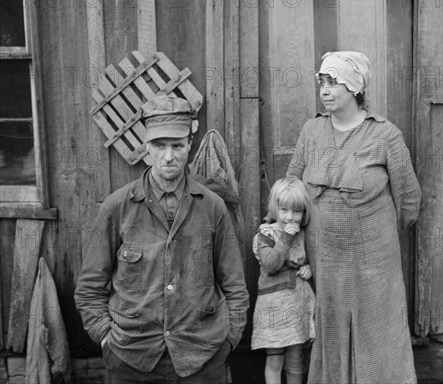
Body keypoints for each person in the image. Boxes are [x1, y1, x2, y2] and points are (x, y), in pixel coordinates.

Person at [74, 95, 249, 383]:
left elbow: (234, 286)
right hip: (132, 358)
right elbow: (89, 288)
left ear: (190, 145)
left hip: (201, 359)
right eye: (159, 145)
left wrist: (227, 341)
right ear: (146, 145)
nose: (168, 156)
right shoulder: (117, 207)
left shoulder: (212, 206)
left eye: (177, 146)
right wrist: (106, 338)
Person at [287, 51, 421, 384]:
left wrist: (384, 234)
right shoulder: (312, 131)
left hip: (375, 258)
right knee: (331, 326)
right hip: (327, 258)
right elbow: (291, 186)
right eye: (322, 82)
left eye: (334, 83)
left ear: (355, 87)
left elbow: (408, 198)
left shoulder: (386, 135)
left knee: (377, 328)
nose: (325, 90)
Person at [251, 177, 316, 384]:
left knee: (296, 359)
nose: (290, 217)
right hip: (273, 306)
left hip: (297, 302)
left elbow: (313, 257)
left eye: (297, 211)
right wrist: (286, 239)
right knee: (275, 359)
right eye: (284, 210)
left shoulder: (305, 233)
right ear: (275, 208)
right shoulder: (266, 234)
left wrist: (309, 267)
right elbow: (270, 265)